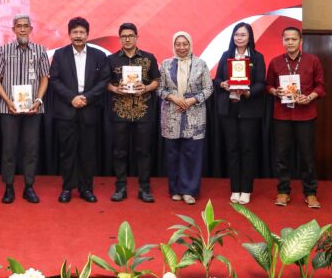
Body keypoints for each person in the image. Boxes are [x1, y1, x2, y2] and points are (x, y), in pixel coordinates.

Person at [0, 14, 50, 204]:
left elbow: (44, 78)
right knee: (9, 150)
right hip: (9, 109)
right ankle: (9, 188)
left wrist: (38, 100)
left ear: (31, 29)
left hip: (33, 109)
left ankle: (28, 187)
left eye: (26, 26)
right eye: (19, 26)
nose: (22, 29)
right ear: (13, 29)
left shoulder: (40, 51)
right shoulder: (3, 50)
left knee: (31, 150)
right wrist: (7, 101)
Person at [49, 17, 111, 203]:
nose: (78, 36)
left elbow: (104, 80)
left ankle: (86, 189)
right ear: (69, 34)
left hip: (89, 110)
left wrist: (87, 98)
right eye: (75, 32)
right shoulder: (60, 54)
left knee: (87, 153)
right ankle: (67, 188)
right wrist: (72, 98)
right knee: (67, 152)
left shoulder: (98, 55)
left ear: (87, 34)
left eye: (81, 32)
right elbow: (54, 80)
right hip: (66, 110)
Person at [266, 27, 326, 209]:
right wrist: (275, 91)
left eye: (294, 39)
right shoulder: (275, 62)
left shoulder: (312, 60)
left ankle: (310, 193)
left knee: (307, 156)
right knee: (282, 155)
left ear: (301, 41)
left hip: (305, 114)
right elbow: (268, 86)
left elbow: (320, 86)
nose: (290, 42)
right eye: (287, 39)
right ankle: (283, 191)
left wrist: (310, 97)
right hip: (282, 114)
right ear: (282, 41)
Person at [213, 22, 266, 205]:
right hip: (229, 109)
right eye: (236, 34)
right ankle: (235, 189)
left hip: (249, 109)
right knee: (232, 149)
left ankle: (246, 190)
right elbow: (217, 79)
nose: (239, 38)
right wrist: (222, 84)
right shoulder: (226, 55)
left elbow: (261, 83)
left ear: (249, 37)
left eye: (243, 35)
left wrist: (248, 92)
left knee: (248, 150)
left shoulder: (257, 57)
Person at [107, 22, 160, 203]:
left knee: (143, 152)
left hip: (143, 112)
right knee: (119, 152)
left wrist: (146, 87)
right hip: (119, 112)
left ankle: (144, 188)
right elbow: (105, 83)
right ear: (120, 38)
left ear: (137, 37)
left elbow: (157, 80)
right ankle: (120, 187)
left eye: (130, 36)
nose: (127, 39)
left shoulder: (149, 58)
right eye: (124, 36)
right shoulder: (111, 59)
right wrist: (116, 89)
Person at [157, 31, 213, 204]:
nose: (181, 47)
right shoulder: (165, 64)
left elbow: (209, 88)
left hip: (194, 114)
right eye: (178, 44)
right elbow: (159, 88)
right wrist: (173, 98)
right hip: (171, 113)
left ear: (190, 44)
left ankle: (189, 191)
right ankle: (175, 189)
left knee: (192, 153)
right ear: (174, 46)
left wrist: (191, 100)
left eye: (185, 44)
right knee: (172, 153)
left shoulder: (201, 64)